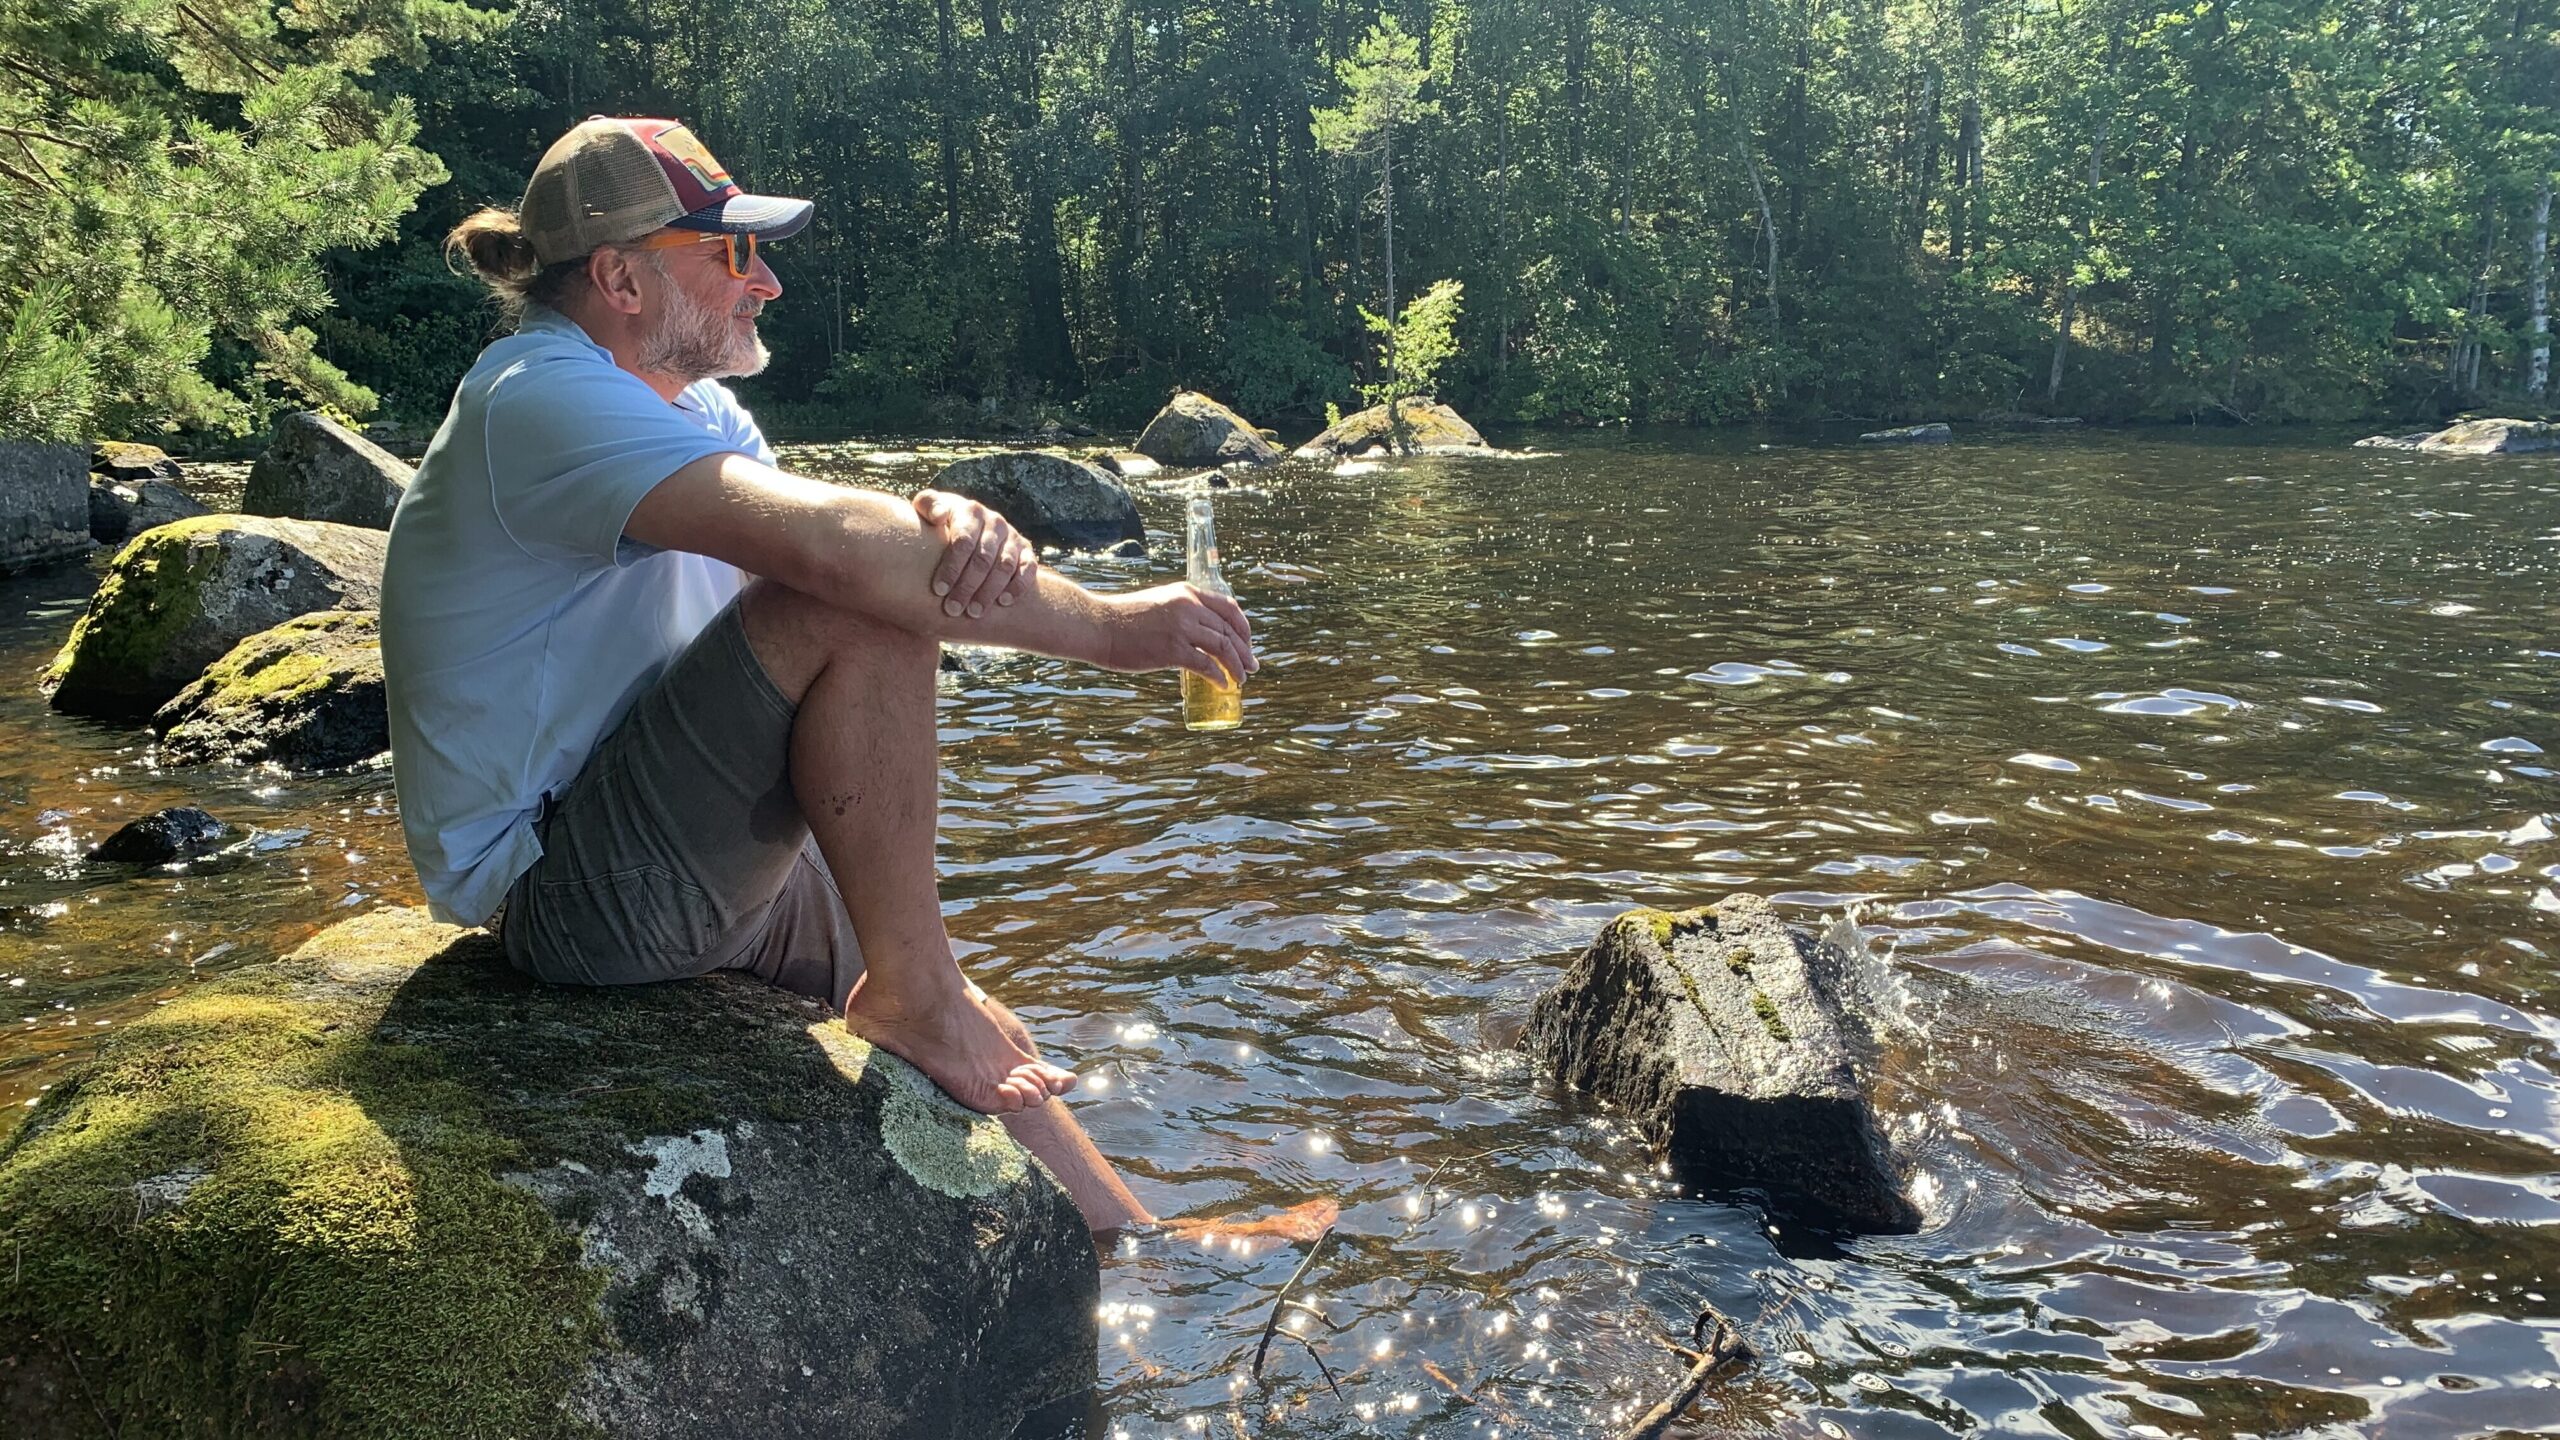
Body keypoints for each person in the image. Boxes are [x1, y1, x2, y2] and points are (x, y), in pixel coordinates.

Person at [382, 116, 1256, 1232]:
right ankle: (917, 1001)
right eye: (733, 254)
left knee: (973, 1020)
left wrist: (929, 515)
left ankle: (1139, 1241)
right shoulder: (537, 397)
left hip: (662, 834)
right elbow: (838, 563)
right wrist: (1118, 627)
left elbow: (839, 531)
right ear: (619, 278)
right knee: (857, 627)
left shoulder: (689, 404)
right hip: (571, 890)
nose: (770, 283)